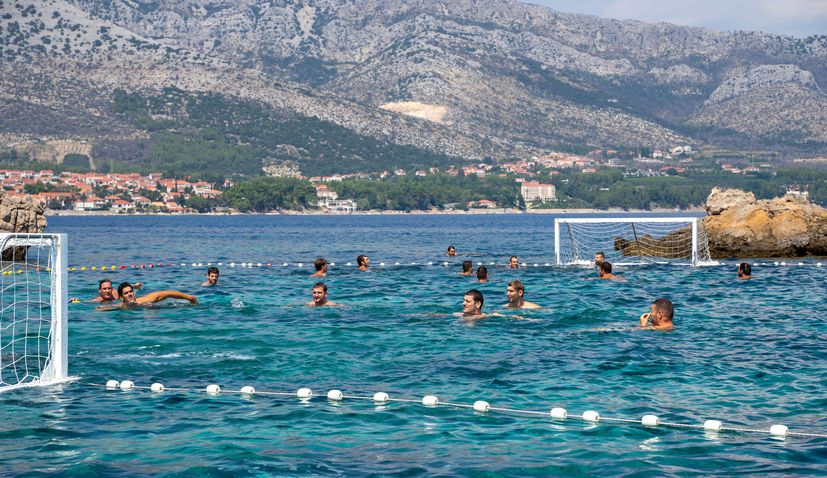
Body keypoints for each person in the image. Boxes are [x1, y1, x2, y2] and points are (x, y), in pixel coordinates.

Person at [110, 282, 198, 309]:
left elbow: (168, 293)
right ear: (121, 297)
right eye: (126, 293)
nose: (129, 294)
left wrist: (189, 297)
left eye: (130, 292)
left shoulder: (147, 299)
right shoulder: (120, 307)